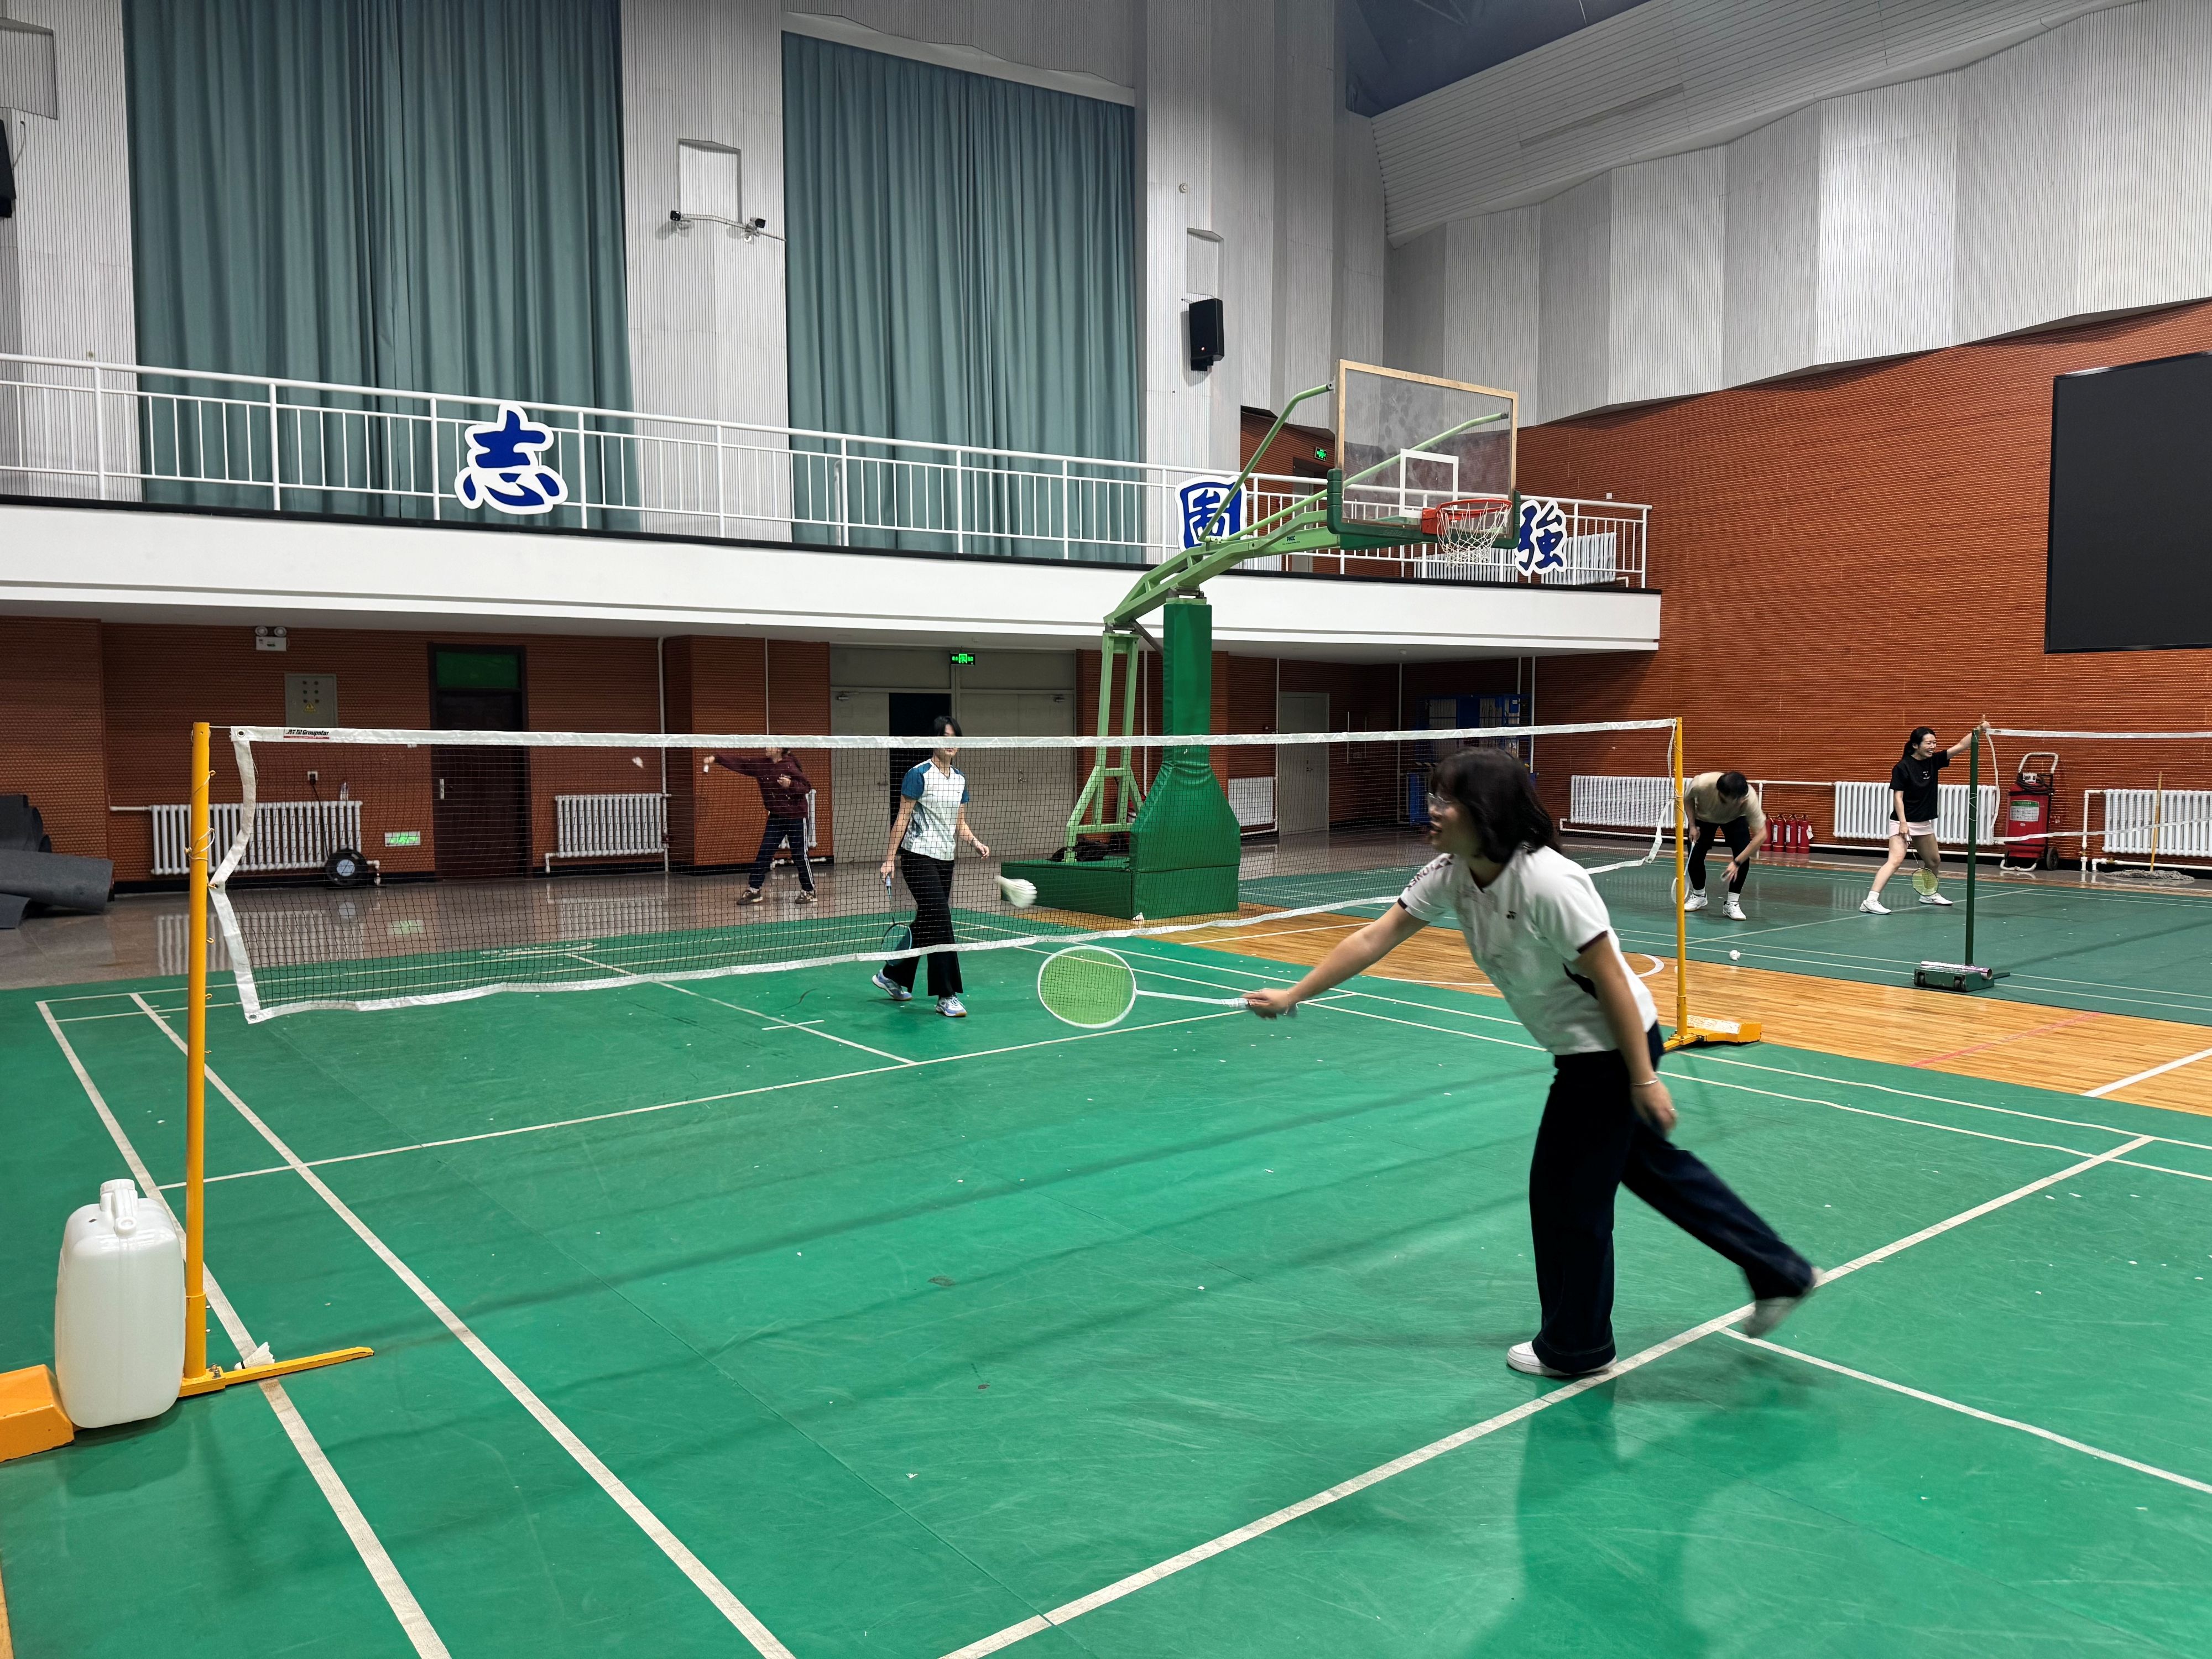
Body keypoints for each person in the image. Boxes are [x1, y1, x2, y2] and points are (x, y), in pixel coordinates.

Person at [1245, 747, 1817, 1378]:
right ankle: (1779, 1271)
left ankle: (1577, 1347)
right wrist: (1295, 993)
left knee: (1566, 1198)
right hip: (1590, 1049)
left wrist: (1642, 1076)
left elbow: (1612, 979)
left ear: (1484, 810)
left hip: (1607, 1049)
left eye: (1447, 799)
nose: (1433, 809)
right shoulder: (1452, 872)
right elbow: (1373, 936)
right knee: (1654, 1172)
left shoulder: (1548, 881)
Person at [875, 715, 989, 1018]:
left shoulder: (960, 779)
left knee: (928, 922)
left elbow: (959, 824)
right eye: (944, 737)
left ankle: (891, 974)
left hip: (945, 860)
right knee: (941, 921)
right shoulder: (918, 775)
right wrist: (889, 859)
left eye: (955, 738)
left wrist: (975, 842)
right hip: (918, 857)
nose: (950, 744)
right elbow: (902, 818)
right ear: (934, 741)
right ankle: (946, 995)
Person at [1863, 720, 1988, 915]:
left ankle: (1928, 893)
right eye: (1929, 743)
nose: (1933, 746)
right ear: (1916, 745)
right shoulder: (1903, 767)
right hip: (1903, 821)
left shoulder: (1933, 761)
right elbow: (1898, 797)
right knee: (1895, 860)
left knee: (1934, 861)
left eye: (1934, 743)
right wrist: (1903, 823)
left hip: (1923, 822)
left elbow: (1961, 746)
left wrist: (1978, 730)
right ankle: (1870, 901)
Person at [712, 748, 816, 905]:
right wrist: (717, 758)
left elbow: (806, 786)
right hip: (776, 817)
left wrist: (791, 784)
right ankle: (754, 890)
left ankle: (809, 891)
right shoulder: (762, 764)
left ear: (779, 749)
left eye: (771, 745)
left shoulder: (789, 765)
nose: (767, 747)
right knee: (765, 853)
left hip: (796, 817)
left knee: (800, 855)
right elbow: (742, 763)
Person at [1683, 770, 1765, 921]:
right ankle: (1699, 895)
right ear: (1722, 795)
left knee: (1743, 857)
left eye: (1743, 798)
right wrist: (1692, 825)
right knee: (1695, 857)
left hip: (1736, 818)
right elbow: (1687, 799)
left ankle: (1732, 903)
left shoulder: (1749, 798)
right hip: (1704, 817)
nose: (1743, 801)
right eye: (1738, 799)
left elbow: (1762, 835)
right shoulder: (1701, 784)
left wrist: (1737, 862)